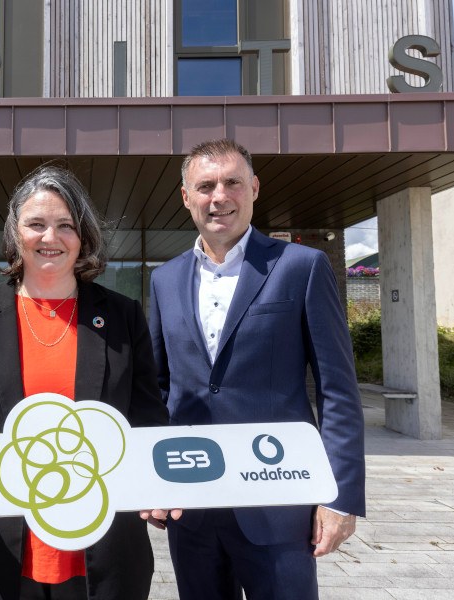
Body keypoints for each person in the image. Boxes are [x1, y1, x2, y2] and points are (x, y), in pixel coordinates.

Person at [0, 165, 170, 600]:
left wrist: (159, 485)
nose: (49, 238)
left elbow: (148, 417)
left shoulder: (123, 317)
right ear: (16, 234)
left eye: (65, 226)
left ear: (83, 237)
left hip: (102, 559)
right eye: (36, 224)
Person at [149, 139, 366, 600]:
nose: (219, 196)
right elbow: (159, 390)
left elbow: (338, 390)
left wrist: (340, 495)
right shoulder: (163, 280)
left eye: (232, 182)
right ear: (186, 197)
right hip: (193, 506)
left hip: (278, 503)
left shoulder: (301, 268)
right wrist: (148, 479)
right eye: (205, 186)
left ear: (254, 188)